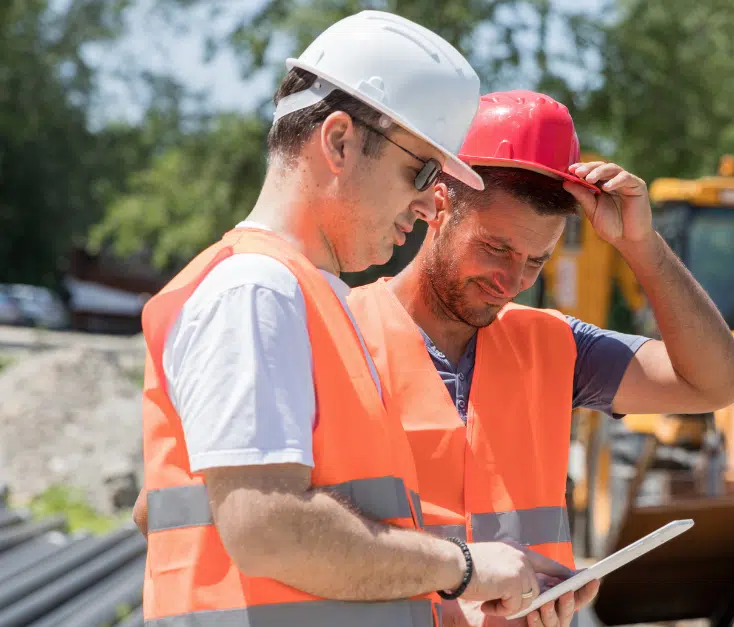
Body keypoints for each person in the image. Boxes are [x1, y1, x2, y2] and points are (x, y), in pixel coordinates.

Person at [132, 13, 572, 626]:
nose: (426, 205)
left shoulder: (307, 297)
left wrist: (447, 590)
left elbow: (162, 509)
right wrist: (462, 566)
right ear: (339, 141)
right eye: (420, 170)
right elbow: (266, 528)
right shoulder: (257, 289)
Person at [346, 90, 734, 627]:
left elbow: (716, 385)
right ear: (439, 205)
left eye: (536, 261)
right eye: (496, 249)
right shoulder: (340, 332)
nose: (511, 282)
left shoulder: (558, 346)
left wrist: (642, 247)